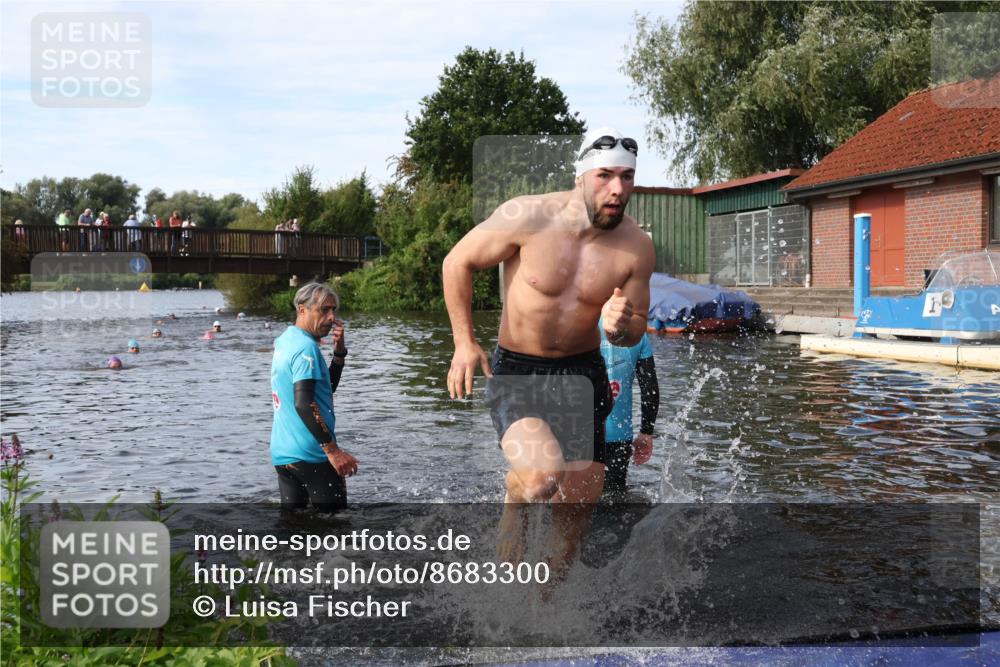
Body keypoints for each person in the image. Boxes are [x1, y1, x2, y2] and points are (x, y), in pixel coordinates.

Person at [442, 126, 655, 580]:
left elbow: (634, 331)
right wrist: (464, 342)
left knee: (571, 530)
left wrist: (622, 326)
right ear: (581, 176)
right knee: (542, 479)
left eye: (627, 178)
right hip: (520, 370)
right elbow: (456, 262)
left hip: (584, 373)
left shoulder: (636, 246)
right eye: (605, 176)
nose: (618, 189)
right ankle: (514, 494)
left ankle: (544, 618)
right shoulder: (527, 215)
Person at [269, 282, 357, 511]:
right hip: (312, 454)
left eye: (334, 310)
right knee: (336, 534)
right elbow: (304, 403)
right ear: (302, 309)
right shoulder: (306, 349)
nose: (331, 317)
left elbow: (323, 390)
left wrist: (338, 355)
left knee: (295, 532)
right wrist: (333, 451)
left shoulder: (285, 341)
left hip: (284, 454)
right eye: (324, 310)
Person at [599, 322, 659, 499]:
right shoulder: (636, 332)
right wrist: (646, 433)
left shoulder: (576, 323)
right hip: (619, 437)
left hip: (578, 435)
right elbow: (650, 389)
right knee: (615, 502)